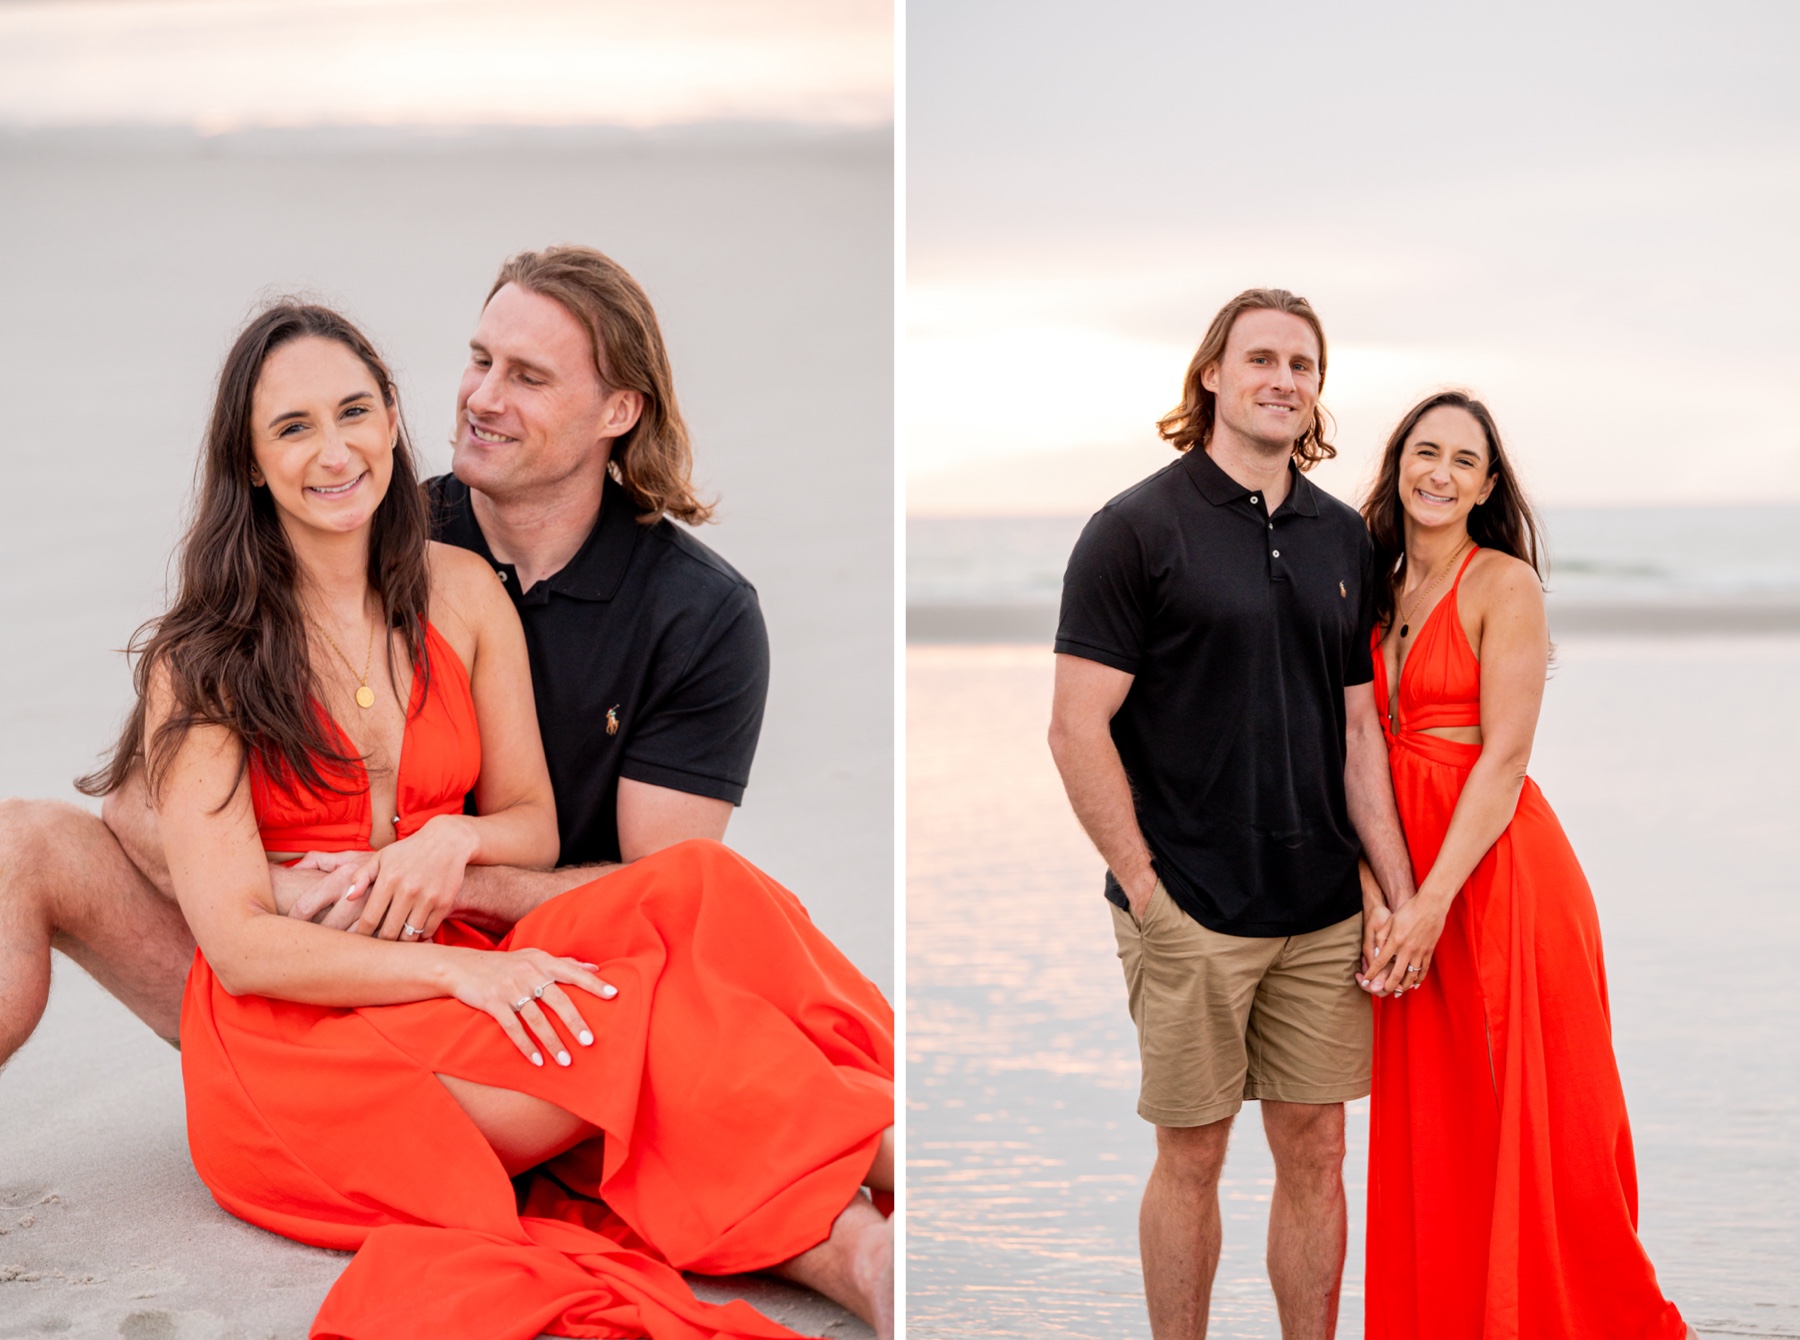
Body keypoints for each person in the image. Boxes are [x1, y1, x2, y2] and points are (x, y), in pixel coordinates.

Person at [77, 302, 893, 1339]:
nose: (333, 451)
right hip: (296, 1033)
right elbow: (239, 950)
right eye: (292, 427)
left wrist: (450, 838)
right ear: (247, 460)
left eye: (354, 411)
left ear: (390, 421)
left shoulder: (459, 592)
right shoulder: (203, 661)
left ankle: (886, 1197)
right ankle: (897, 1160)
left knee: (708, 888)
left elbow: (531, 826)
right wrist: (464, 972)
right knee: (651, 1021)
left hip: (453, 943)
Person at [0, 244, 769, 1064]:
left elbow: (660, 891)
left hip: (529, 962)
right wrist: (286, 893)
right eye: (480, 360)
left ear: (618, 411)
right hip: (296, 947)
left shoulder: (695, 613)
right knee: (26, 840)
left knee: (743, 948)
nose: (481, 397)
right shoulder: (361, 519)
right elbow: (136, 806)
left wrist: (433, 873)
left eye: (528, 377)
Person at [1048, 287, 1416, 1339]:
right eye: (1261, 359)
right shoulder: (1133, 528)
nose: (1283, 380)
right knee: (1193, 1151)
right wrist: (1152, 892)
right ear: (1211, 374)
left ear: (1316, 393)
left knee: (1318, 1145)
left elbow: (1358, 737)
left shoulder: (1343, 537)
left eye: (1303, 366)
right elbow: (1077, 729)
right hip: (1188, 906)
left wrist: (1394, 894)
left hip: (1319, 911)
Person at [1354, 390, 1691, 1340]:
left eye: (1465, 461)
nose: (1441, 473)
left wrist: (1428, 906)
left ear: (1487, 485)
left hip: (1498, 879)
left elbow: (1503, 762)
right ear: (1398, 464)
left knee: (1541, 1123)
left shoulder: (1505, 585)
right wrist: (1382, 896)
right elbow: (1345, 751)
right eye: (1427, 451)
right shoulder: (1370, 588)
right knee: (1441, 1127)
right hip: (1403, 875)